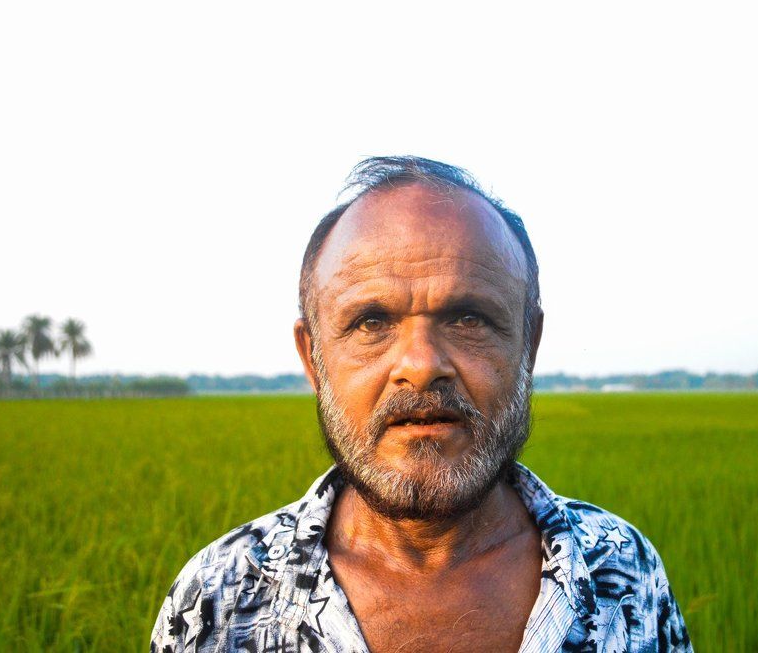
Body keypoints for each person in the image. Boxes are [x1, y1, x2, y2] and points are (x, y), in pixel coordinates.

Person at [150, 156, 693, 652]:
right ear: (313, 358)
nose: (421, 363)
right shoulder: (220, 596)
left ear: (528, 345)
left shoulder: (622, 572)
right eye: (371, 322)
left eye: (468, 318)